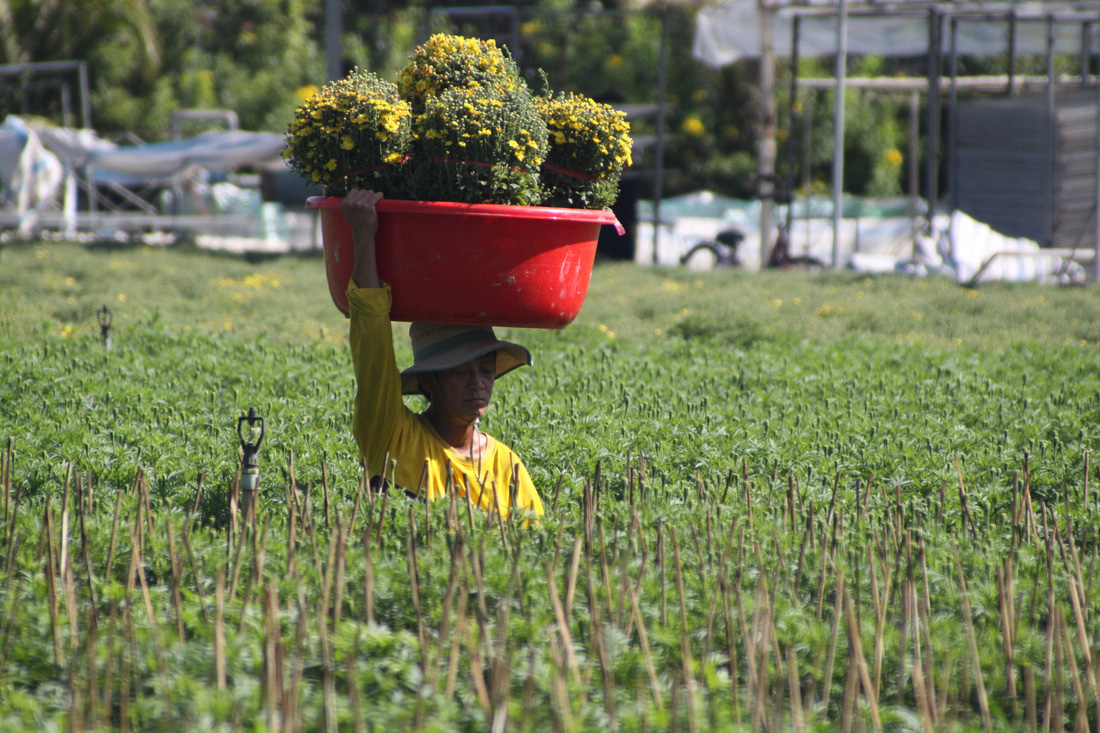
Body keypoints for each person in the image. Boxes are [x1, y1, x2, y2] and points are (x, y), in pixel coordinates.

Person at [341, 189, 544, 519]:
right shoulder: (392, 435)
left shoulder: (506, 464)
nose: (477, 383)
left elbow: (535, 545)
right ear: (429, 382)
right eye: (460, 371)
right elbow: (372, 344)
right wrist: (364, 235)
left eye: (486, 370)